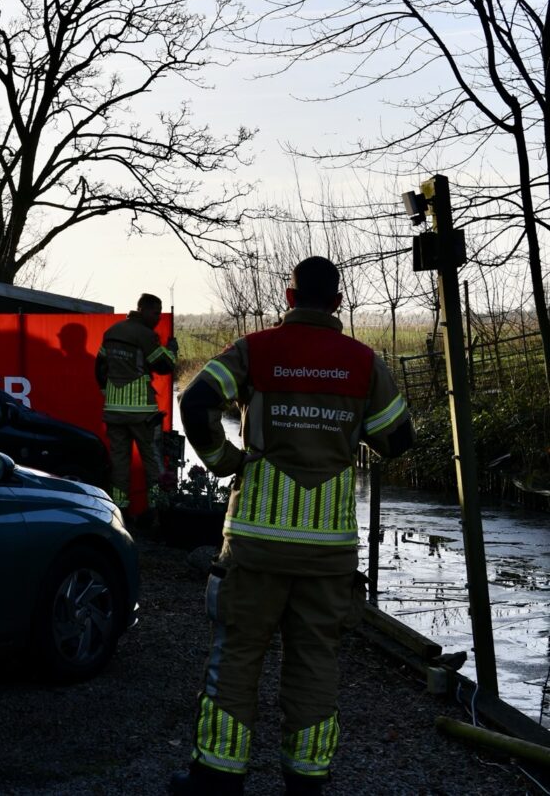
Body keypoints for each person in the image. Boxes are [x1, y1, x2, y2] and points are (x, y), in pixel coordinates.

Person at [170, 257, 414, 796]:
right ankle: (305, 783)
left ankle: (216, 777)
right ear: (336, 303)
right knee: (315, 667)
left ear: (288, 296)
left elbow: (197, 399)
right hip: (328, 556)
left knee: (236, 657)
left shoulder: (256, 350)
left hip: (255, 544)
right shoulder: (364, 362)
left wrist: (222, 458)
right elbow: (398, 439)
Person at [95, 292, 176, 514]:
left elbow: (100, 366)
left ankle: (120, 511)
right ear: (142, 309)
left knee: (120, 463)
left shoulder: (112, 331)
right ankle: (156, 513)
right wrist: (172, 350)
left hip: (114, 412)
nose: (158, 318)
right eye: (155, 313)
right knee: (152, 462)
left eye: (160, 314)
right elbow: (163, 366)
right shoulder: (146, 335)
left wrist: (106, 391)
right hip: (142, 414)